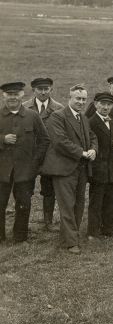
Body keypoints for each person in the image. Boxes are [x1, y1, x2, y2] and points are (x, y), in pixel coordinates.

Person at [40, 85, 97, 253]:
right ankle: (71, 242)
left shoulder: (83, 117)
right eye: (77, 98)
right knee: (67, 205)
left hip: (81, 168)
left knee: (79, 203)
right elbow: (60, 142)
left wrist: (94, 149)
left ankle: (71, 236)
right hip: (63, 168)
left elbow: (92, 136)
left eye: (84, 99)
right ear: (69, 98)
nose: (81, 102)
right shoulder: (57, 116)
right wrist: (82, 153)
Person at [0, 82, 50, 243]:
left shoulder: (32, 115)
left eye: (16, 94)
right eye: (9, 94)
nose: (13, 98)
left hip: (25, 170)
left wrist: (34, 163)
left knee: (23, 203)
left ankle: (20, 236)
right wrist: (2, 139)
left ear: (22, 95)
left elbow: (44, 140)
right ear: (3, 96)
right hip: (2, 170)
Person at [22, 77, 62, 230]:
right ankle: (23, 222)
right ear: (34, 90)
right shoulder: (24, 107)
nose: (43, 92)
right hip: (29, 156)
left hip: (50, 156)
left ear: (51, 90)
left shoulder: (58, 108)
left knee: (49, 190)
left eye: (46, 89)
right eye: (40, 89)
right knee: (25, 189)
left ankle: (48, 222)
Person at [86, 92, 113, 239]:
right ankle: (93, 232)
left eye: (109, 104)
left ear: (112, 106)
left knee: (111, 201)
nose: (105, 107)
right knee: (96, 202)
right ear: (96, 105)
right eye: (102, 104)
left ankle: (107, 230)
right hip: (98, 169)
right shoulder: (90, 122)